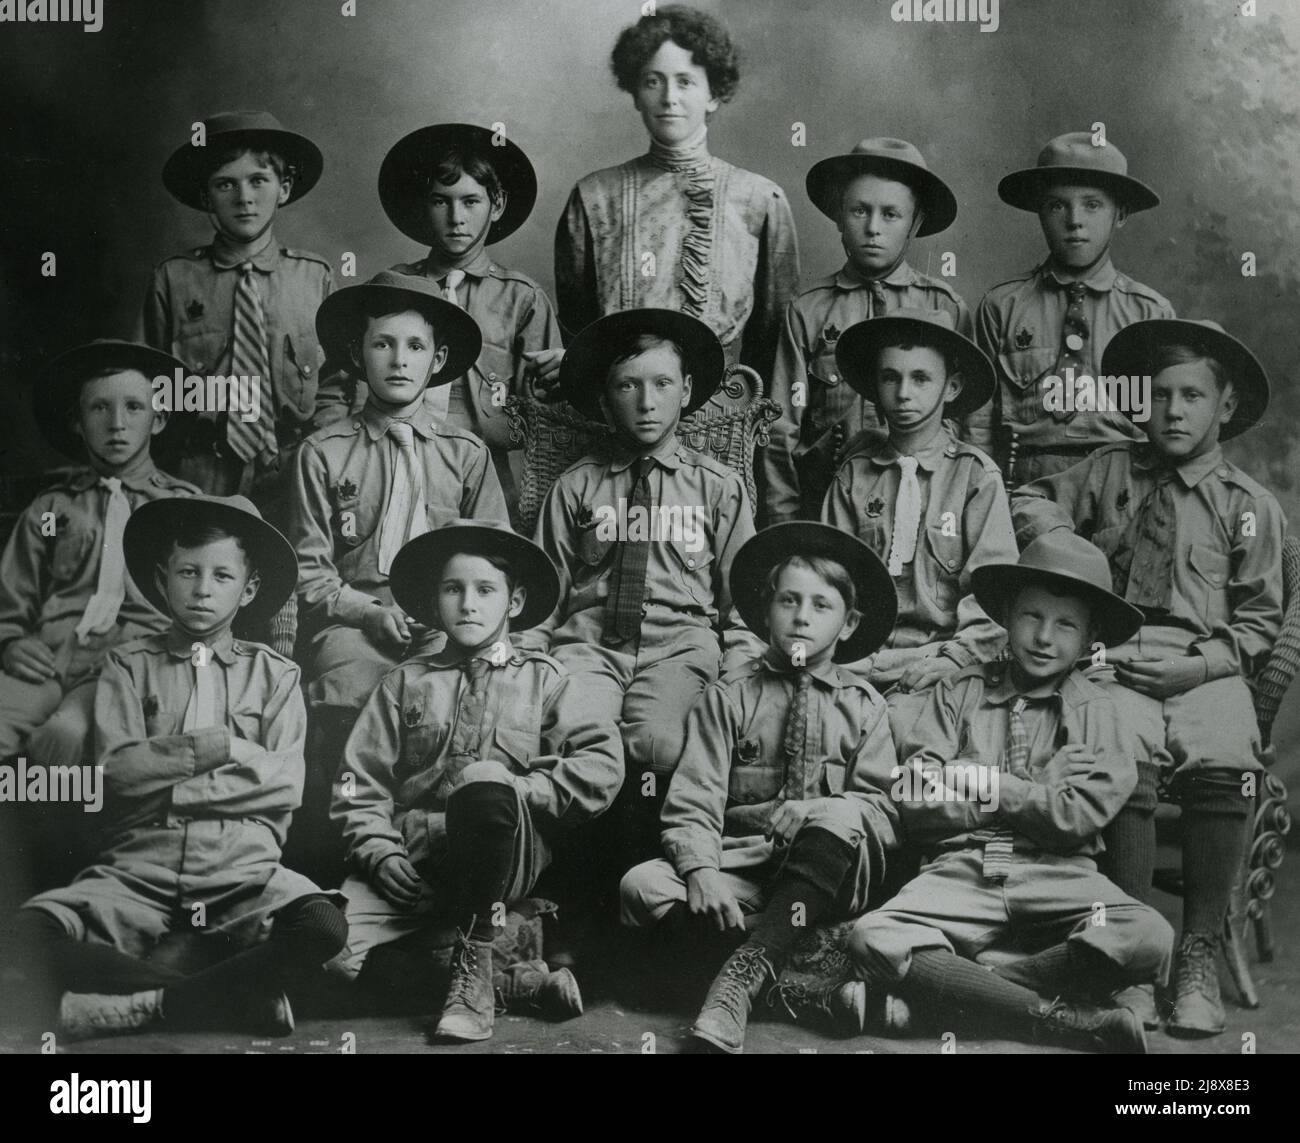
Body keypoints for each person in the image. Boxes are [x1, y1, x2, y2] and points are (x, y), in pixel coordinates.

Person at [1011, 318, 1284, 1037]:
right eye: (1160, 394)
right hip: (1114, 659)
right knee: (1115, 753)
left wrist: (1196, 665)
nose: (1172, 410)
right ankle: (1132, 959)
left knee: (1226, 750)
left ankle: (1195, 951)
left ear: (1223, 407)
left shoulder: (1247, 505)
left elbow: (1259, 622)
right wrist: (1067, 543)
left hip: (1205, 663)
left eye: (1192, 396)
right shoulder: (1108, 470)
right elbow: (1031, 498)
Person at [11, 495, 345, 1040]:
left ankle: (147, 1003)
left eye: (221, 575)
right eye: (188, 572)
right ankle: (229, 1002)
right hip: (141, 862)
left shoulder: (276, 677)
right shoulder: (127, 665)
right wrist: (224, 749)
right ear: (163, 580)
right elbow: (117, 773)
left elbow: (284, 785)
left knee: (323, 926)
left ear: (249, 589)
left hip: (242, 864)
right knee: (27, 930)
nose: (203, 588)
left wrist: (166, 775)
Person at [848, 533, 1174, 1054]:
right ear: (1006, 616)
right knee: (873, 938)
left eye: (1066, 624)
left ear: (1090, 635)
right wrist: (1035, 786)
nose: (1045, 637)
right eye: (1031, 616)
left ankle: (987, 985)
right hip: (963, 871)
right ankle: (1060, 1019)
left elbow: (1074, 818)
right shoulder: (959, 692)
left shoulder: (1099, 712)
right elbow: (912, 795)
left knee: (1147, 936)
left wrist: (981, 780)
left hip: (1057, 874)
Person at [328, 523, 622, 1042]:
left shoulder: (545, 679)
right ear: (434, 600)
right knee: (330, 957)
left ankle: (475, 960)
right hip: (416, 858)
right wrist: (378, 850)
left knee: (485, 779)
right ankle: (512, 985)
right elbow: (358, 781)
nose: (468, 604)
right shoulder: (405, 682)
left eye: (485, 591)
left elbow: (600, 765)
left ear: (515, 601)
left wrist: (519, 790)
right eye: (453, 590)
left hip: (506, 859)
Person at [620, 521, 901, 1053]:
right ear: (767, 609)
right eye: (789, 600)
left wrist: (821, 807)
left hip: (829, 872)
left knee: (840, 818)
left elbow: (883, 809)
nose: (801, 616)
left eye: (822, 606)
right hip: (744, 867)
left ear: (848, 624)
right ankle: (789, 973)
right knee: (642, 885)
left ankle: (741, 973)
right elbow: (695, 798)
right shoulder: (731, 696)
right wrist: (701, 872)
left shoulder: (865, 707)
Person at [317, 123, 563, 527]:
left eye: (471, 202)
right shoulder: (388, 288)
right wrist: (337, 451)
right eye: (440, 201)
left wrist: (553, 386)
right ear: (423, 205)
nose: (456, 218)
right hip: (380, 458)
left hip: (480, 473)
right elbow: (337, 385)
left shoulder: (522, 299)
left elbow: (546, 417)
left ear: (497, 205)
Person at [554, 4, 799, 407]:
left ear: (714, 94)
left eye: (685, 82)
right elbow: (578, 335)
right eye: (653, 81)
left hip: (726, 425)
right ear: (635, 92)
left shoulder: (759, 200)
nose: (669, 98)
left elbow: (774, 343)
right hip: (617, 422)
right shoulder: (594, 197)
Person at [821, 309, 1015, 741]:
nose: (903, 393)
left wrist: (952, 658)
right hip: (855, 657)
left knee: (902, 735)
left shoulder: (974, 478)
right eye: (890, 378)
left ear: (952, 387)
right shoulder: (855, 475)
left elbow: (992, 600)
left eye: (921, 379)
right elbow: (827, 579)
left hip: (938, 659)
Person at [764, 138, 968, 522]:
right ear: (839, 217)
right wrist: (784, 526)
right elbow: (781, 430)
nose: (873, 228)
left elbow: (969, 425)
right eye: (859, 211)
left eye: (891, 214)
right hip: (825, 503)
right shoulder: (808, 311)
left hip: (925, 504)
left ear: (916, 223)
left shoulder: (945, 308)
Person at [967, 132, 1174, 485]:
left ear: (1120, 214)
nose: (1074, 220)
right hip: (1024, 487)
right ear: (1039, 213)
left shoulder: (1149, 313)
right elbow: (978, 425)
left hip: (1123, 487)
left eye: (1092, 205)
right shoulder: (1003, 307)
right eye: (1057, 205)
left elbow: (1167, 425)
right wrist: (983, 498)